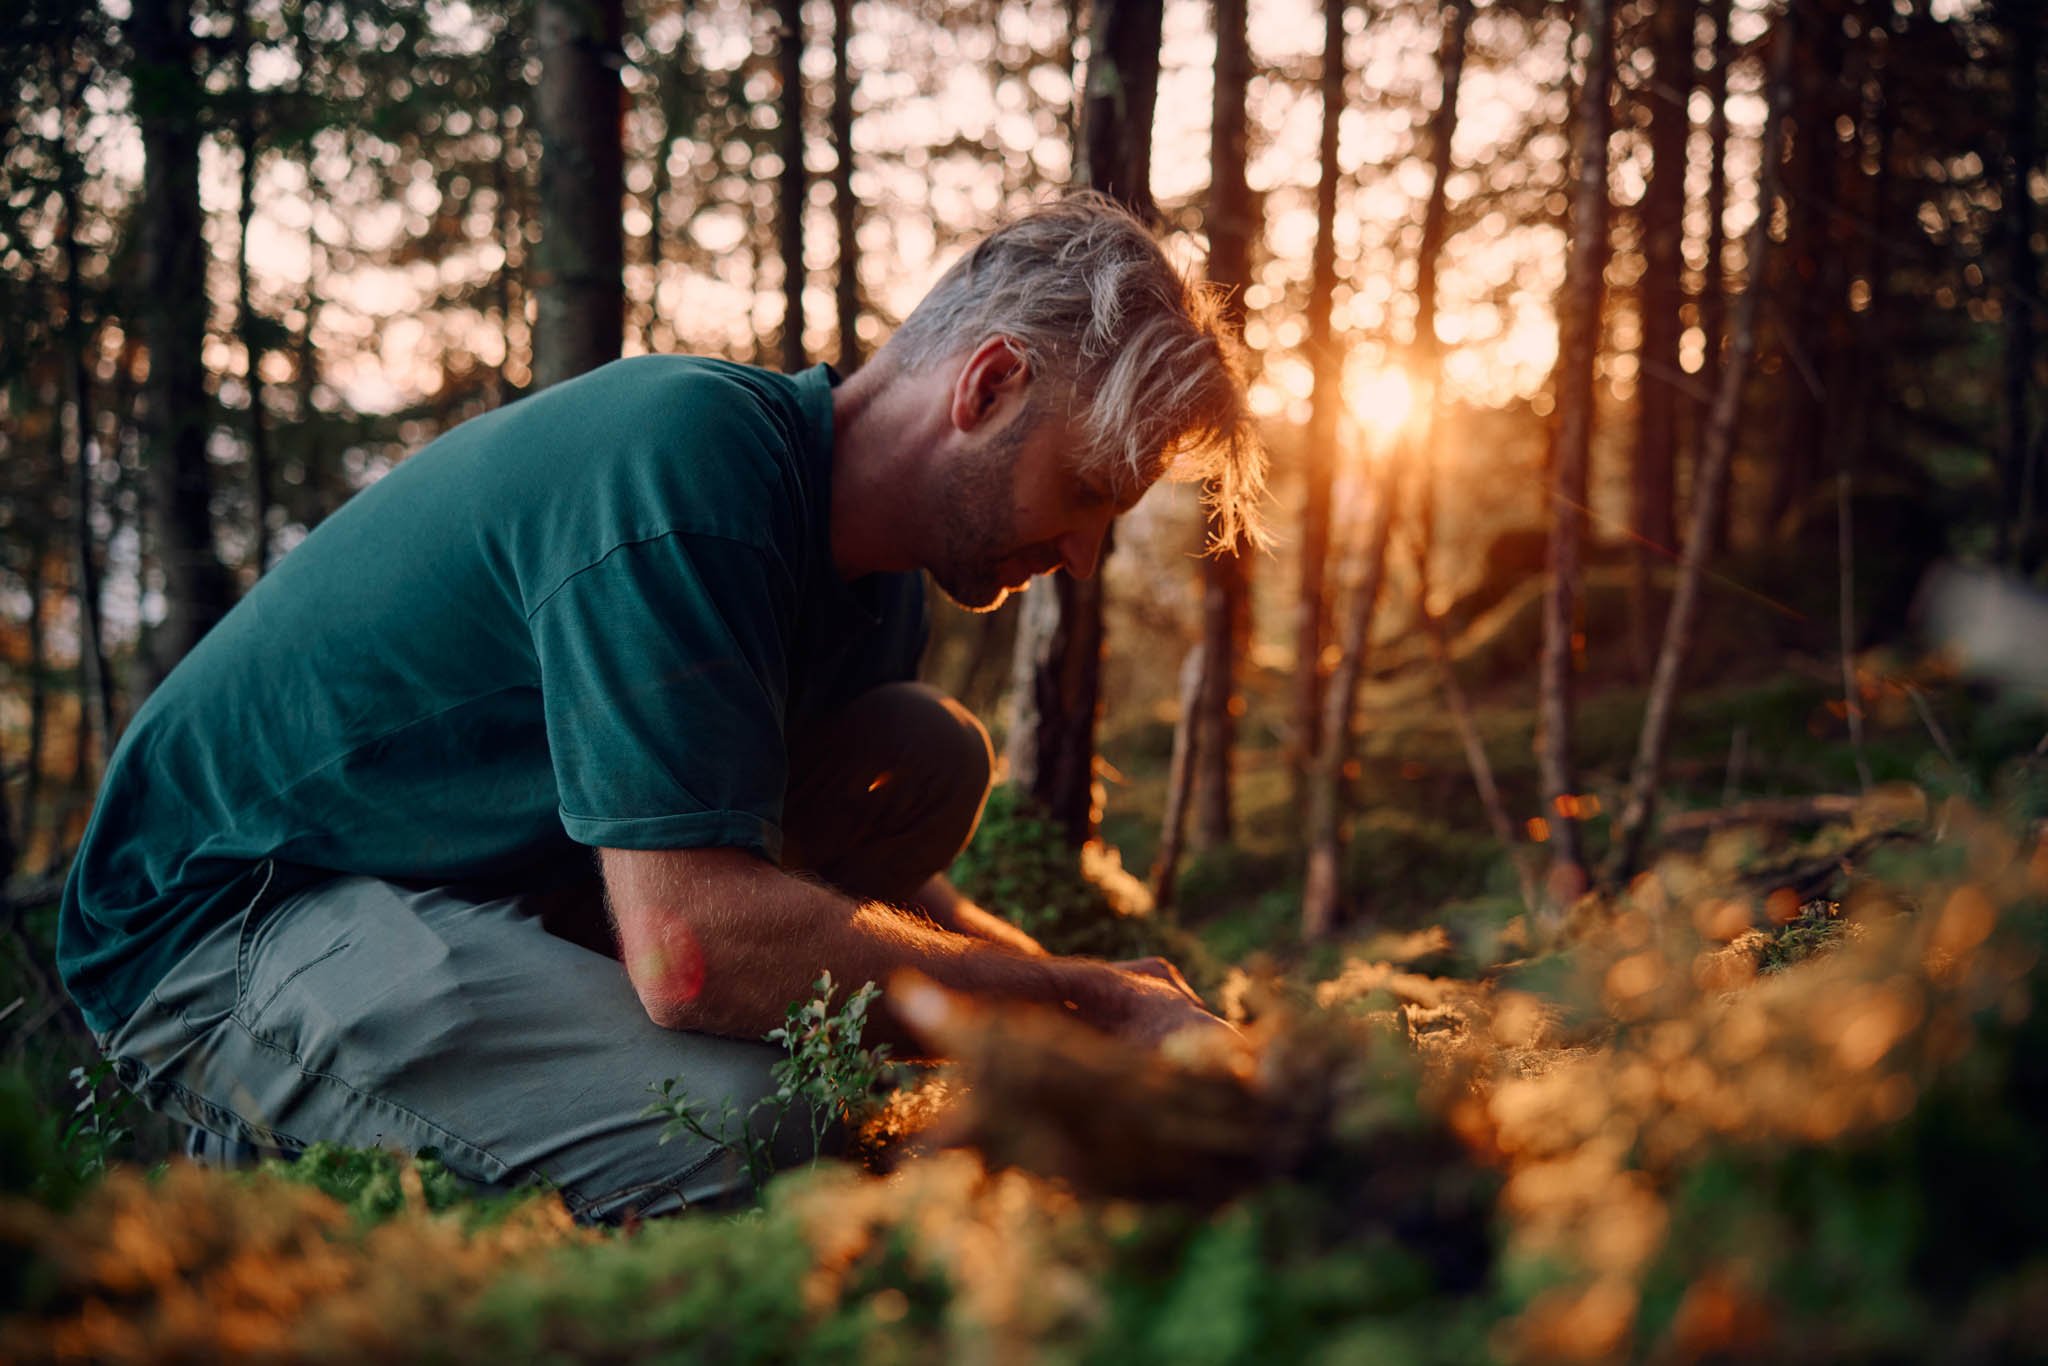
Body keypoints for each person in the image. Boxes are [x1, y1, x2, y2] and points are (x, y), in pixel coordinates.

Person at [56, 192, 1266, 1220]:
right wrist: (1082, 1007)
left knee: (924, 753)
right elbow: (694, 952)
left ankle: (520, 1059)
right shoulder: (686, 463)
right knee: (760, 1127)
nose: (1083, 557)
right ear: (988, 385)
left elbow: (892, 909)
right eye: (1086, 492)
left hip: (493, 875)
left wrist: (1094, 1008)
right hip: (229, 917)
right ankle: (262, 1133)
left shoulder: (879, 588)